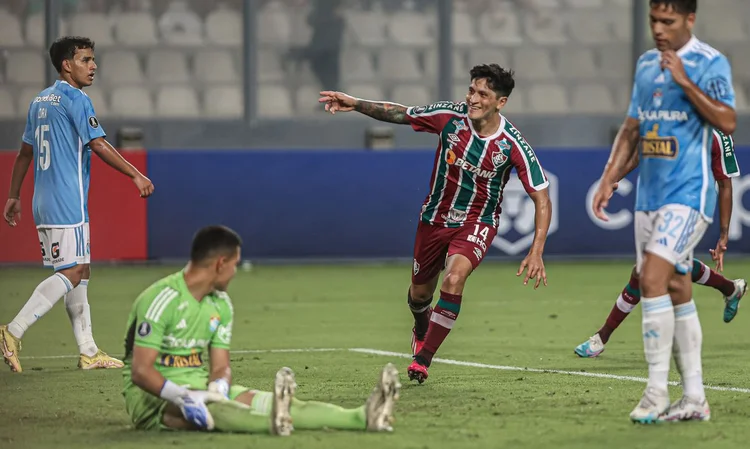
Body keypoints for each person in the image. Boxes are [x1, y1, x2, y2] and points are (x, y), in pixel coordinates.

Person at [319, 64, 552, 384]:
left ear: (500, 103)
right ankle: (420, 325)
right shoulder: (449, 117)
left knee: (454, 280)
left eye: (483, 94)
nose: (473, 98)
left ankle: (423, 359)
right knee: (419, 295)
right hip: (433, 220)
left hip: (477, 222)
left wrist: (536, 249)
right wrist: (356, 103)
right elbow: (401, 113)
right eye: (472, 90)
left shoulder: (512, 144)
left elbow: (541, 197)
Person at [591, 0, 736, 423]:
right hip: (649, 198)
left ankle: (656, 391)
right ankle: (695, 398)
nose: (658, 28)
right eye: (653, 19)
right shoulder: (644, 66)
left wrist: (685, 82)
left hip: (690, 195)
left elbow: (727, 121)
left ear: (689, 19)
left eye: (667, 21)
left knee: (651, 278)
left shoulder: (710, 63)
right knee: (675, 289)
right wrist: (608, 175)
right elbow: (632, 127)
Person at [122, 225, 400, 434]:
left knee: (274, 402)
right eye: (234, 265)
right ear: (221, 263)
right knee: (215, 410)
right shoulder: (161, 299)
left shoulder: (221, 305)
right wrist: (183, 397)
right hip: (153, 399)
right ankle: (270, 423)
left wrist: (218, 386)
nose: (235, 272)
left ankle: (363, 416)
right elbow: (141, 371)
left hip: (201, 388)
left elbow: (221, 367)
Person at [1, 36, 154, 373]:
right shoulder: (76, 99)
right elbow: (98, 144)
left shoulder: (39, 100)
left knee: (80, 271)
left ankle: (88, 351)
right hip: (65, 200)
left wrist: (13, 195)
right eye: (86, 59)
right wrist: (136, 175)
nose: (93, 66)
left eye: (93, 59)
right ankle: (12, 331)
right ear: (66, 65)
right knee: (71, 271)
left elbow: (26, 152)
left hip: (45, 199)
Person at [577, 129, 744, 358]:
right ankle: (730, 288)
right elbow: (639, 155)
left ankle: (602, 338)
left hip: (695, 208)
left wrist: (723, 233)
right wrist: (614, 178)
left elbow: (725, 185)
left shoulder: (717, 134)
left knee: (650, 268)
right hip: (662, 203)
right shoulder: (664, 118)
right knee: (659, 267)